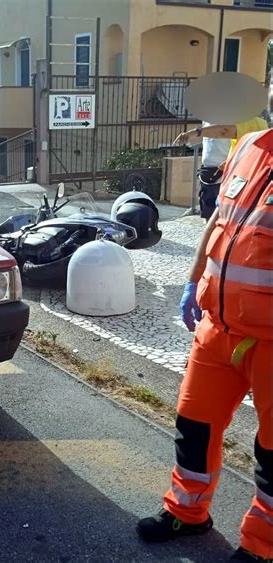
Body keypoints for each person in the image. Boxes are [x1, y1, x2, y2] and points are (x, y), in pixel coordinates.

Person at [138, 108, 273, 560]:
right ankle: (187, 513)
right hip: (217, 329)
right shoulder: (251, 147)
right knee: (193, 426)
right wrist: (193, 280)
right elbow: (218, 221)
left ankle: (262, 546)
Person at [174, 115, 269, 221]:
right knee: (212, 214)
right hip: (212, 172)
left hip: (232, 177)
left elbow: (224, 131)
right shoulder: (210, 118)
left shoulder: (249, 122)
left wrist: (195, 132)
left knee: (223, 216)